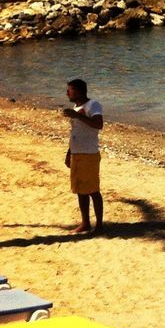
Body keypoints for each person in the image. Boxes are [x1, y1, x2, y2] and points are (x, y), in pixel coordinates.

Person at [62, 78, 104, 234]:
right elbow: (75, 132)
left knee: (93, 190)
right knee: (80, 190)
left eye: (70, 90)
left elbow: (98, 124)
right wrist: (69, 152)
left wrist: (77, 115)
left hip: (89, 154)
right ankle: (85, 223)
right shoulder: (77, 107)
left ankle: (99, 225)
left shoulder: (92, 105)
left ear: (79, 91)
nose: (67, 93)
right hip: (77, 153)